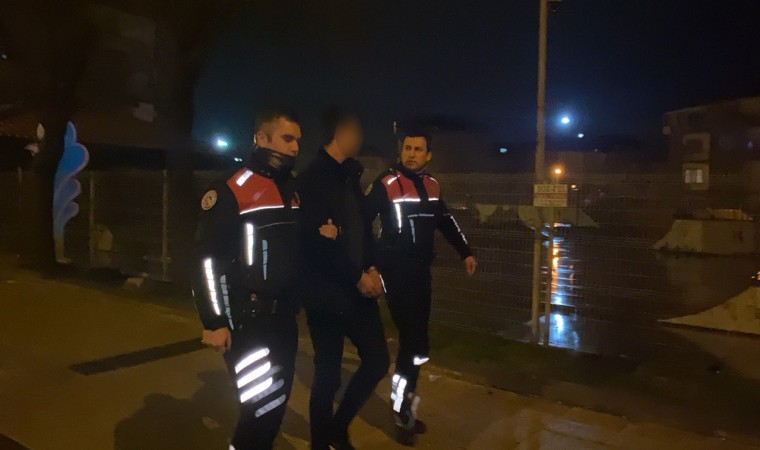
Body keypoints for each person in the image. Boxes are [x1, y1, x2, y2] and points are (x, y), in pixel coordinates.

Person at [192, 107, 309, 450]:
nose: (294, 147)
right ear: (261, 138)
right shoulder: (231, 188)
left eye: (297, 140)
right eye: (287, 138)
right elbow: (206, 260)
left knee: (274, 406)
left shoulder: (291, 190)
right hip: (247, 321)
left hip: (284, 318)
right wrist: (215, 321)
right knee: (258, 410)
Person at [364, 130, 477, 446]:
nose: (411, 154)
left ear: (428, 155)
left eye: (418, 149)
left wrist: (465, 252)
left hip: (420, 274)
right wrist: (369, 265)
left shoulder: (432, 185)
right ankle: (401, 412)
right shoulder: (386, 183)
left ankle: (405, 404)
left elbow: (446, 221)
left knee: (417, 345)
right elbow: (361, 222)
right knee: (412, 342)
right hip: (395, 274)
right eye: (407, 148)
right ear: (401, 151)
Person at [298, 109, 390, 450]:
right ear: (339, 132)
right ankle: (320, 442)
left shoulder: (351, 175)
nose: (360, 138)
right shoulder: (312, 179)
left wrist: (373, 268)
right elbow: (316, 243)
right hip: (326, 294)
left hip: (358, 291)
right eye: (355, 130)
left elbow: (363, 231)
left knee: (378, 361)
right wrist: (356, 275)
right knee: (328, 375)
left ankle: (337, 428)